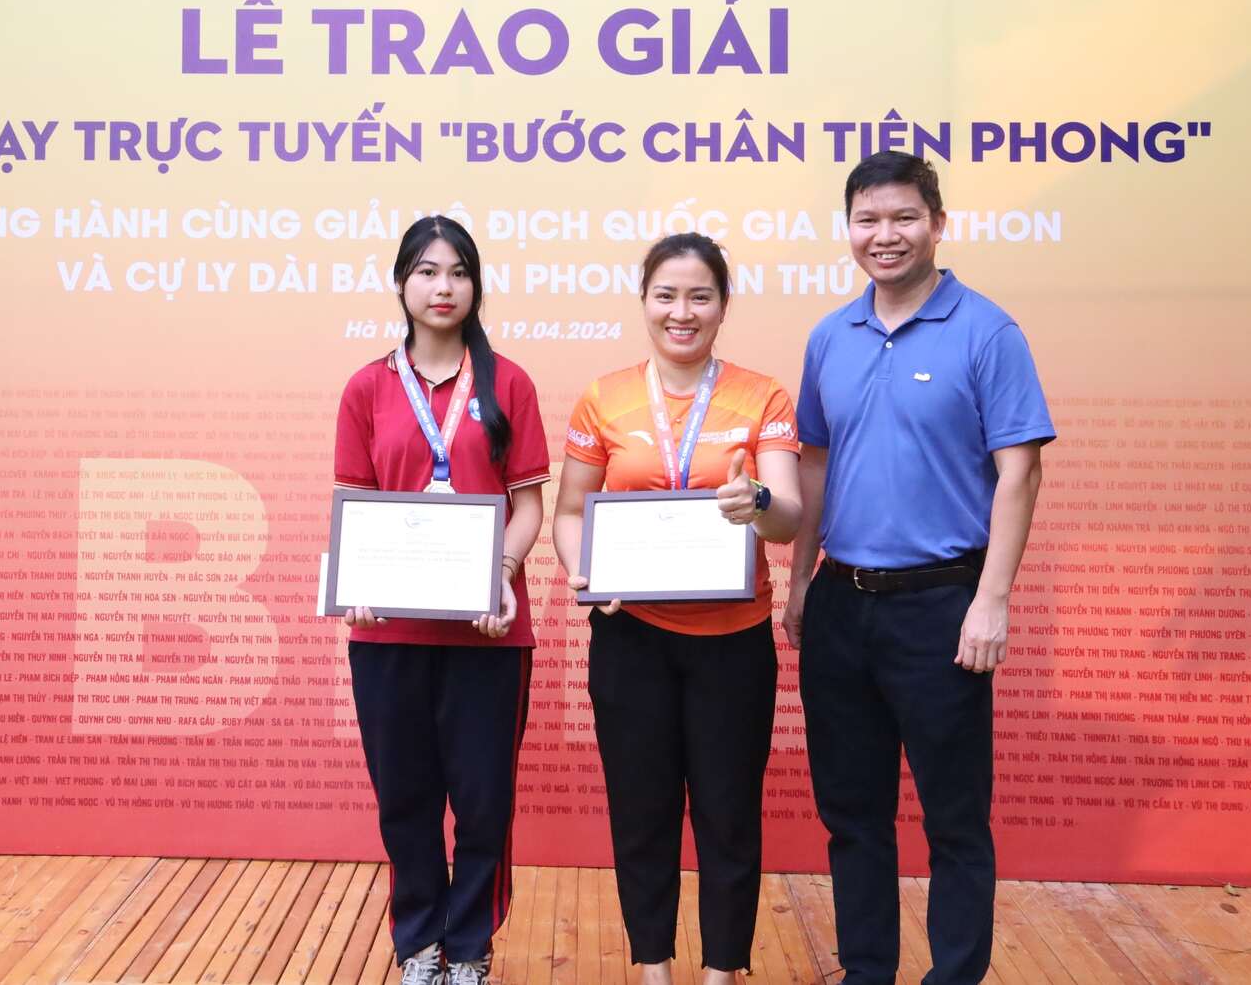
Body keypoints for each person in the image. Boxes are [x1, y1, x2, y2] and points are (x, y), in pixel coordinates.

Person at [785, 153, 1055, 985]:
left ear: (937, 223)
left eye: (904, 217)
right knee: (852, 815)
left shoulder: (987, 331)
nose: (886, 235)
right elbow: (815, 467)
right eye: (868, 219)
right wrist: (799, 582)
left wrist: (992, 600)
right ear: (849, 229)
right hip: (841, 602)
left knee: (955, 820)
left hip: (943, 606)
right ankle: (866, 971)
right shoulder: (830, 337)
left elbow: (1020, 472)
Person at [552, 234, 803, 985]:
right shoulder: (604, 397)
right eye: (666, 295)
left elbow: (788, 517)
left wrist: (757, 499)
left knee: (729, 814)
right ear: (644, 302)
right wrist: (584, 571)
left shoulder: (762, 396)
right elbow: (571, 511)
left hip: (733, 642)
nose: (681, 312)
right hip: (631, 637)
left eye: (700, 296)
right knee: (641, 812)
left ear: (723, 306)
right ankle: (653, 967)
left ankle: (723, 971)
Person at [334, 216, 550, 985]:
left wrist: (503, 570)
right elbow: (356, 505)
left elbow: (529, 504)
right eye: (427, 271)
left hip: (489, 631)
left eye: (458, 271)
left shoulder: (509, 383)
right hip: (389, 636)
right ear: (402, 283)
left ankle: (471, 946)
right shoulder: (367, 387)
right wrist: (357, 581)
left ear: (476, 285)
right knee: (405, 799)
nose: (443, 286)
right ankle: (420, 943)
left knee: (484, 801)